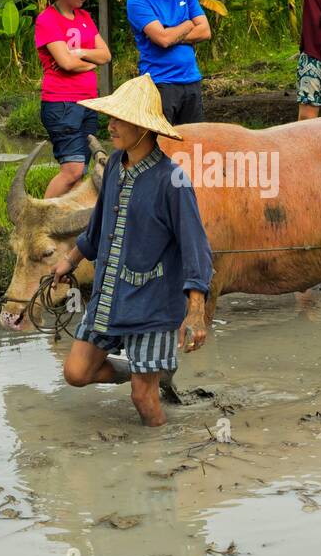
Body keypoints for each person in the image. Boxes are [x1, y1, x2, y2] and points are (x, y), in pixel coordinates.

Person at [47, 75, 213, 427]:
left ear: (142, 127)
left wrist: (196, 310)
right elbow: (97, 226)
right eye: (111, 118)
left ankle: (161, 460)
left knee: (142, 398)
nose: (111, 126)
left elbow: (195, 246)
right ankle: (145, 369)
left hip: (152, 301)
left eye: (119, 120)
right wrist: (70, 260)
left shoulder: (173, 181)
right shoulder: (114, 170)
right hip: (110, 294)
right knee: (76, 372)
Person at [31, 0, 113, 198]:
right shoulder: (47, 19)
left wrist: (81, 53)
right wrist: (90, 64)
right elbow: (65, 63)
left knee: (81, 170)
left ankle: (66, 226)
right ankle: (39, 221)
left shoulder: (84, 18)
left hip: (88, 101)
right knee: (72, 170)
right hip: (62, 103)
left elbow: (105, 54)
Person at [124, 0, 211, 125]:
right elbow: (162, 39)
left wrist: (173, 34)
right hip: (160, 83)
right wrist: (187, 24)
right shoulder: (138, 0)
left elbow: (205, 31)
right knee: (161, 144)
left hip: (191, 78)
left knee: (192, 144)